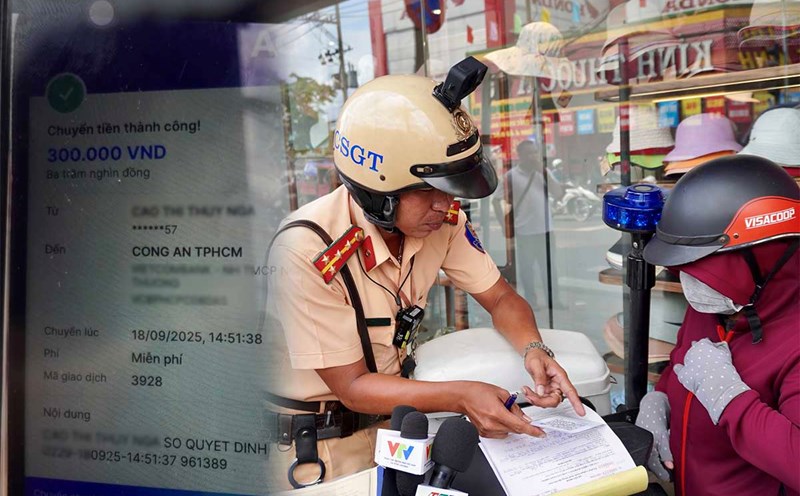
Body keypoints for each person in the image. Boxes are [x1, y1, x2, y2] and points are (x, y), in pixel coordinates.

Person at [264, 60, 585, 491]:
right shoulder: (306, 251)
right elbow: (354, 387)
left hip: (398, 428)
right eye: (431, 191)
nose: (446, 206)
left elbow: (501, 298)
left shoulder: (441, 222)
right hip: (320, 451)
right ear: (379, 192)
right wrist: (463, 394)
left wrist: (534, 349)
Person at [635, 155, 799, 495]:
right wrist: (660, 398)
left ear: (764, 255)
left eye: (701, 264)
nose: (690, 281)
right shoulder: (718, 303)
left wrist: (728, 398)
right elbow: (685, 359)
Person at [492, 138, 564, 308]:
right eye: (529, 153)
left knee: (550, 269)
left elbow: (559, 193)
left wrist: (544, 173)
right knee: (527, 270)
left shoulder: (543, 172)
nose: (533, 156)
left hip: (546, 230)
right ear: (521, 156)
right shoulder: (511, 176)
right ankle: (531, 301)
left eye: (535, 153)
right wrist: (504, 225)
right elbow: (496, 200)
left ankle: (554, 301)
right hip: (524, 231)